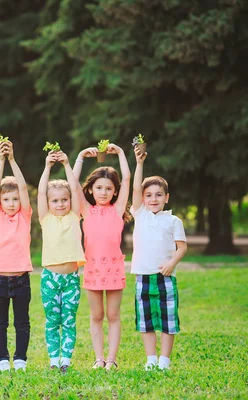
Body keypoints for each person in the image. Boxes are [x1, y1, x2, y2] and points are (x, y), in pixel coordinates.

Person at [73, 143, 131, 370]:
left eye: (108, 188)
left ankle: (112, 360)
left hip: (114, 270)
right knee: (96, 315)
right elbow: (73, 184)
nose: (103, 192)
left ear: (114, 192)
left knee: (113, 315)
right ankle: (99, 358)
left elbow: (126, 179)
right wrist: (79, 157)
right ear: (91, 190)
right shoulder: (85, 210)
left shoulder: (117, 211)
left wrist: (122, 153)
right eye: (99, 188)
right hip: (93, 269)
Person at [131, 147, 187, 370]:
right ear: (143, 199)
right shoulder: (141, 214)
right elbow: (136, 187)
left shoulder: (173, 221)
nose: (153, 199)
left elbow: (182, 248)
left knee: (167, 320)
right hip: (142, 277)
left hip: (165, 277)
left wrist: (171, 263)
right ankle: (151, 359)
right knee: (146, 322)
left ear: (166, 197)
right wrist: (139, 163)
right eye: (148, 195)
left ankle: (164, 360)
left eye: (158, 195)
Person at [37, 150, 86, 374]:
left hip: (72, 278)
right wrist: (46, 167)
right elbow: (40, 193)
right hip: (50, 278)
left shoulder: (75, 216)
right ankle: (53, 359)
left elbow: (75, 190)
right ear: (48, 203)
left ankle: (65, 359)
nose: (60, 204)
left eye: (64, 200)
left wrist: (67, 165)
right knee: (52, 321)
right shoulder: (45, 218)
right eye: (55, 201)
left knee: (68, 320)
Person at [0, 140, 32, 372]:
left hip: (22, 278)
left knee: (22, 322)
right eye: (7, 199)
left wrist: (12, 159)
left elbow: (22, 188)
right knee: (0, 323)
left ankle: (21, 358)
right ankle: (2, 358)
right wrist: (1, 161)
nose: (12, 203)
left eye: (14, 199)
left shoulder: (25, 215)